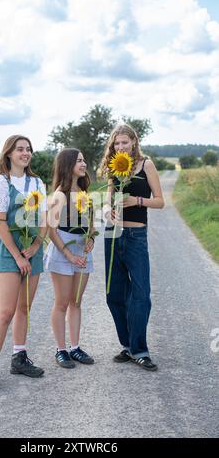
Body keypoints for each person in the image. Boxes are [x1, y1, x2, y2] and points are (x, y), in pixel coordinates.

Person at [0, 135, 47, 392]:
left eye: (29, 149)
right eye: (20, 149)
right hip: (9, 251)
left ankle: (19, 357)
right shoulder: (1, 182)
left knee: (24, 308)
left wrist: (34, 247)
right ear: (9, 153)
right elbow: (0, 222)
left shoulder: (37, 182)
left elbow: (44, 219)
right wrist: (19, 256)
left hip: (33, 249)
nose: (26, 153)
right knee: (6, 311)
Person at [100, 124, 165, 371]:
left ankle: (140, 349)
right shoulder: (114, 167)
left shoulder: (146, 165)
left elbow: (160, 201)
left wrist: (135, 200)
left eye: (124, 142)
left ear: (134, 142)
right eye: (117, 143)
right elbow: (107, 200)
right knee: (114, 293)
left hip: (136, 235)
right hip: (113, 234)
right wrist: (108, 211)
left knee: (141, 294)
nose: (120, 147)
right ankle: (127, 346)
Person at [44, 148, 96, 368]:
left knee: (76, 301)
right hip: (63, 251)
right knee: (62, 302)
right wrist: (68, 254)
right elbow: (51, 230)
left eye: (84, 160)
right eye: (78, 161)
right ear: (67, 166)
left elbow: (91, 225)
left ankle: (75, 348)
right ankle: (61, 349)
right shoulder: (59, 195)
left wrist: (91, 238)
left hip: (82, 252)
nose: (83, 164)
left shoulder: (85, 194)